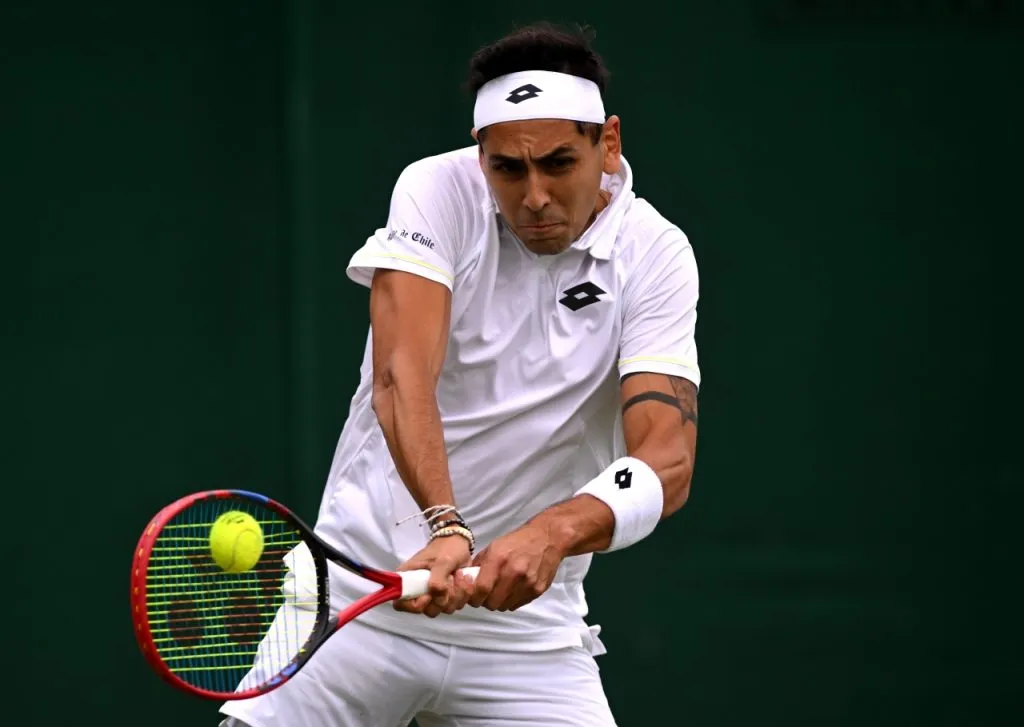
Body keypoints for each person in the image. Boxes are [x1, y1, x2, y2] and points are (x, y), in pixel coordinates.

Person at [220, 20, 701, 727]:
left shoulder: (656, 253)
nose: (534, 195)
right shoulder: (434, 190)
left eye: (559, 163)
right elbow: (399, 374)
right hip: (361, 594)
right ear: (481, 159)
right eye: (508, 168)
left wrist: (553, 532)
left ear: (609, 144)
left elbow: (667, 459)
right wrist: (446, 526)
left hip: (528, 636)